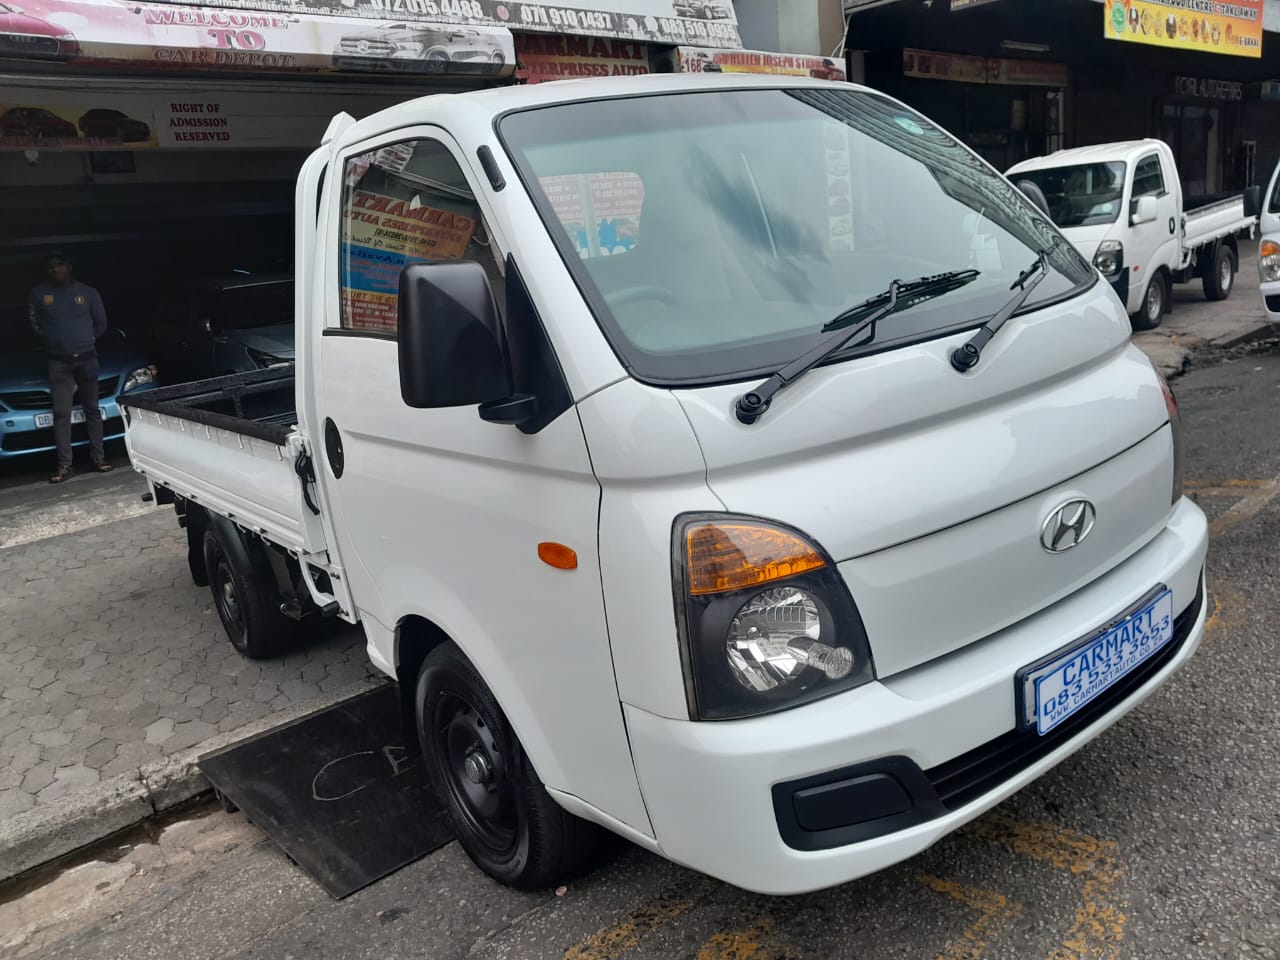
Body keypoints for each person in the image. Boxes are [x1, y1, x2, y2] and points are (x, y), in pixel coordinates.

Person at [27, 253, 113, 483]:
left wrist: (86, 340)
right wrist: (53, 340)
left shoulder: (88, 292)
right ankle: (65, 466)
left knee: (92, 410)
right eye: (51, 266)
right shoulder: (39, 293)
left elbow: (102, 323)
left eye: (60, 265)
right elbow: (34, 323)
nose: (56, 269)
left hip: (87, 358)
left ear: (69, 267)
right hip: (59, 362)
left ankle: (98, 458)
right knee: (61, 415)